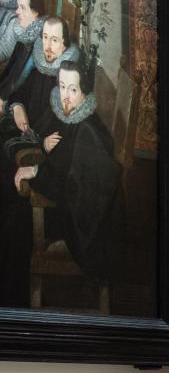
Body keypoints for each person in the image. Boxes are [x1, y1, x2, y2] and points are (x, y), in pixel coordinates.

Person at [6, 60, 125, 306]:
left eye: (73, 89)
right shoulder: (75, 117)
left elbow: (75, 189)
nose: (66, 96)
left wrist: (36, 172)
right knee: (14, 213)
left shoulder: (88, 132)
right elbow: (67, 167)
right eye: (62, 87)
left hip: (89, 231)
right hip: (73, 210)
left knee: (15, 225)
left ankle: (16, 308)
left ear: (85, 92)